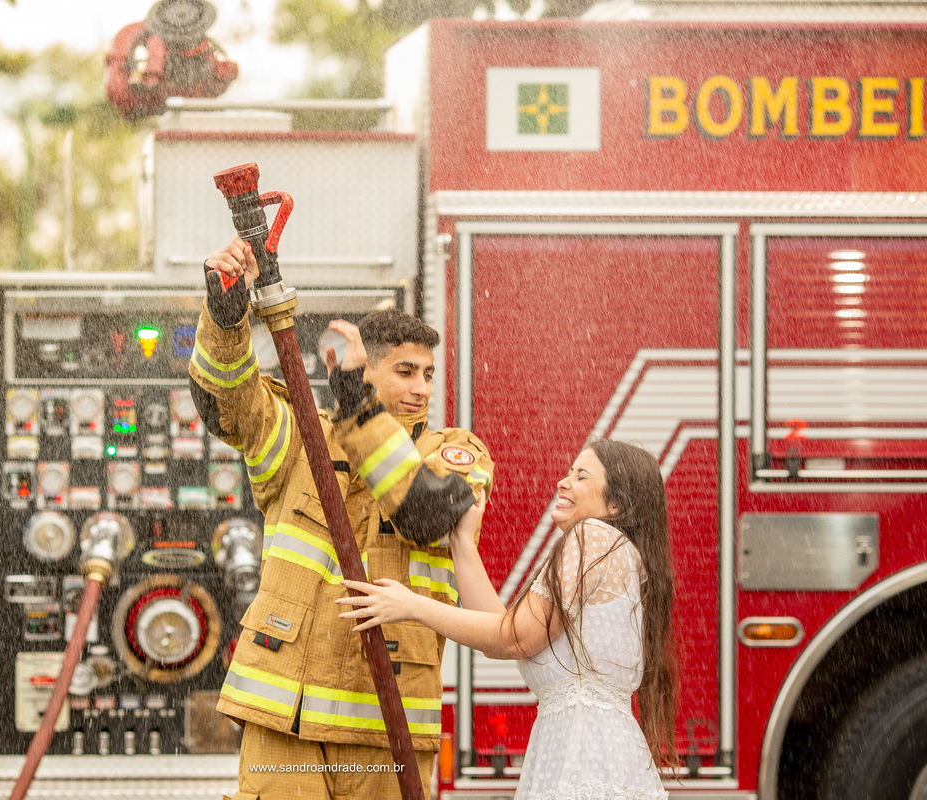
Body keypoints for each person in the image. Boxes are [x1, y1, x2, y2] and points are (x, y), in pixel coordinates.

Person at [191, 238, 495, 800]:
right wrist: (227, 314)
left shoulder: (454, 452)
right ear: (360, 367)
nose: (421, 388)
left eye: (428, 374)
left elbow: (425, 514)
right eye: (405, 371)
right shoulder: (301, 434)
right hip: (284, 719)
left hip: (386, 729)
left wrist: (359, 408)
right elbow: (225, 404)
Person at [338, 439, 678, 800]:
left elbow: (514, 639)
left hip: (583, 757)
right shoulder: (617, 550)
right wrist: (462, 542)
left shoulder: (592, 536)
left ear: (616, 504)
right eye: (568, 472)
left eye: (581, 476)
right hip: (595, 753)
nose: (563, 482)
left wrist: (412, 606)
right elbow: (502, 634)